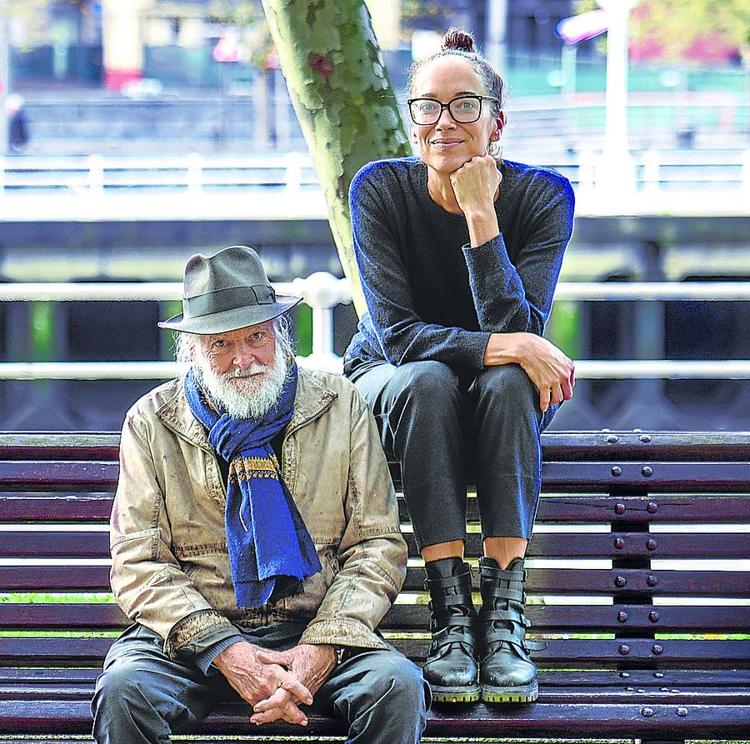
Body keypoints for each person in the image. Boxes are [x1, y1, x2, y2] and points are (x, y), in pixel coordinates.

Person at [92, 245, 428, 743]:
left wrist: (321, 648)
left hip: (318, 625)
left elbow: (376, 545)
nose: (243, 360)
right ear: (193, 350)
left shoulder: (340, 406)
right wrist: (226, 650)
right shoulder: (150, 421)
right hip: (193, 639)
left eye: (255, 337)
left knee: (396, 687)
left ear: (279, 335)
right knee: (124, 691)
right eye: (221, 345)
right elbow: (138, 561)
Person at [343, 29, 576, 705]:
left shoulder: (543, 198)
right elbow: (397, 336)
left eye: (464, 106)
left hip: (497, 390)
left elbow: (513, 334)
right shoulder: (379, 189)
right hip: (397, 379)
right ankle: (449, 616)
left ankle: (502, 618)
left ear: (497, 122)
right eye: (428, 107)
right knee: (430, 380)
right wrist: (516, 346)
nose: (444, 122)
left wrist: (481, 213)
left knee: (506, 381)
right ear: (412, 118)